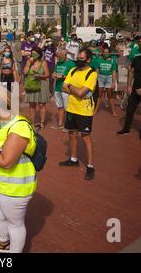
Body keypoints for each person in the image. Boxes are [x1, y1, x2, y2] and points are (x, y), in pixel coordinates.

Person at [0, 90, 37, 253]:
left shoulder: (19, 127)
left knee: (15, 224)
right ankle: (4, 243)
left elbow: (6, 162)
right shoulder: (1, 125)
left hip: (15, 187)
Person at [60, 48, 98, 181]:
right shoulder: (73, 71)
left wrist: (70, 87)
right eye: (78, 57)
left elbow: (81, 93)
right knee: (72, 133)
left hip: (84, 110)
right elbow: (63, 87)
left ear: (88, 59)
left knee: (86, 137)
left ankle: (90, 165)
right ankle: (73, 159)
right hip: (71, 108)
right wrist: (74, 89)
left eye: (82, 58)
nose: (79, 60)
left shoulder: (92, 74)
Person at [24, 47, 50, 130]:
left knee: (42, 104)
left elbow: (47, 74)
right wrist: (28, 64)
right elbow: (25, 72)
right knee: (32, 105)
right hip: (31, 85)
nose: (33, 55)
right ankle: (32, 122)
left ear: (39, 54)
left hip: (42, 84)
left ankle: (42, 122)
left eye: (35, 53)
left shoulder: (43, 63)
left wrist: (39, 76)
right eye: (32, 53)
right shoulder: (29, 62)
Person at [51, 49, 76, 130]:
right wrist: (54, 75)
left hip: (66, 89)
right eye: (58, 57)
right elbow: (55, 72)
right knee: (60, 107)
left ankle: (69, 126)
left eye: (60, 57)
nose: (58, 58)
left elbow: (74, 77)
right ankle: (60, 124)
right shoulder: (58, 63)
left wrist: (62, 76)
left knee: (68, 108)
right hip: (58, 88)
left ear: (65, 55)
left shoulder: (71, 64)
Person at [94, 47, 118, 116]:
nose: (106, 54)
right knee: (99, 95)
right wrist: (95, 80)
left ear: (109, 53)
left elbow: (114, 72)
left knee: (109, 95)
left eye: (107, 52)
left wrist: (114, 82)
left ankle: (113, 111)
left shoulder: (113, 61)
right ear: (102, 53)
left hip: (109, 78)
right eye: (104, 52)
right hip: (100, 78)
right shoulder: (99, 60)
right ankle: (95, 110)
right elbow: (97, 71)